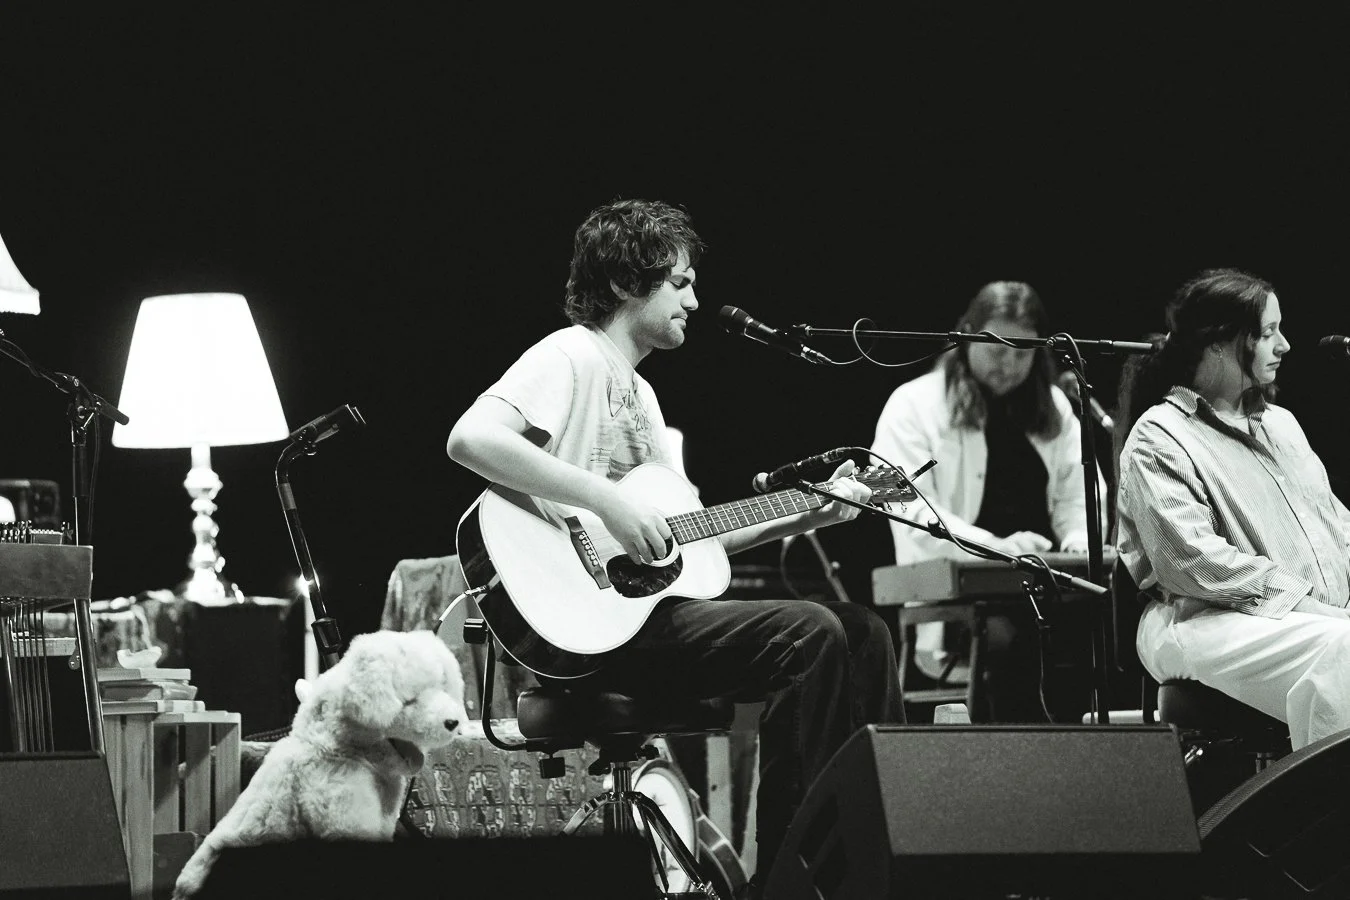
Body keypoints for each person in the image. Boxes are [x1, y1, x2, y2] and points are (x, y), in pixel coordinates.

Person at [445, 198, 905, 896]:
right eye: (680, 282)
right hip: (578, 634)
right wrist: (607, 501)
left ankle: (865, 865)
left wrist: (813, 511)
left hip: (637, 621)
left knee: (864, 632)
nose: (696, 299)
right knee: (810, 632)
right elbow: (470, 440)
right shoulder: (571, 354)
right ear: (630, 284)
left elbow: (693, 536)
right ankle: (788, 879)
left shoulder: (644, 398)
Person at [1115, 267, 1350, 751]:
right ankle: (1325, 819)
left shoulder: (1281, 425)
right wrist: (1311, 606)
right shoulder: (1159, 435)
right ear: (1218, 343)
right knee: (1343, 651)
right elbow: (1192, 563)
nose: (1284, 345)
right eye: (1267, 333)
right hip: (1201, 620)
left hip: (1305, 615)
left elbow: (1336, 527)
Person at [870, 281, 1101, 722]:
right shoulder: (910, 404)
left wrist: (1075, 541)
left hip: (1050, 581)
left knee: (1104, 631)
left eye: (1023, 351)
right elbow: (896, 504)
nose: (1009, 363)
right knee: (1010, 639)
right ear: (967, 333)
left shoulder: (1054, 405)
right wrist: (998, 548)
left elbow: (1080, 492)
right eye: (996, 348)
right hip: (964, 601)